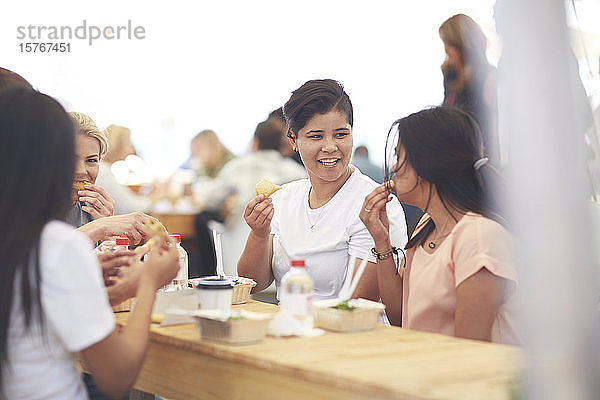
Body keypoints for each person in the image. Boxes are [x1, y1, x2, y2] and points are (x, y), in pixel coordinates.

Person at [0, 87, 179, 399]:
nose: (81, 171)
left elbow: (40, 311)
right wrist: (150, 282)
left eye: (92, 160)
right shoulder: (53, 243)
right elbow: (118, 376)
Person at [360, 106, 519, 345]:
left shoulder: (479, 237)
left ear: (428, 163)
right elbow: (400, 317)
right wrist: (381, 241)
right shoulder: (427, 225)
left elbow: (469, 350)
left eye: (399, 155)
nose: (393, 167)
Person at [238, 79, 407, 301]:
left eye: (341, 134)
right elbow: (253, 283)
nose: (330, 147)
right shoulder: (283, 197)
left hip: (349, 331)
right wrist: (259, 235)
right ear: (293, 140)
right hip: (289, 326)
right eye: (316, 136)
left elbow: (357, 301)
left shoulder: (377, 205)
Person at [193, 119, 306, 276]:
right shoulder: (297, 171)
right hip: (287, 252)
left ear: (256, 142)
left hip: (238, 244)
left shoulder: (238, 166)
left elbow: (210, 199)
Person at [439, 14, 499, 164]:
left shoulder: (489, 79)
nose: (446, 50)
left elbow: (487, 130)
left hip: (477, 160)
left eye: (449, 44)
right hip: (452, 155)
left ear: (464, 46)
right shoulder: (450, 75)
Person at [95, 124, 156, 215]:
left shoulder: (105, 169)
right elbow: (132, 208)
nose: (132, 149)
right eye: (128, 143)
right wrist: (159, 195)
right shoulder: (104, 173)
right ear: (117, 145)